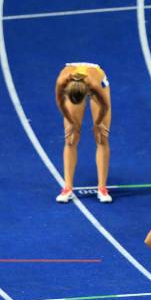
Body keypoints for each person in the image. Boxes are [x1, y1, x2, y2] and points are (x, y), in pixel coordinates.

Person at [54, 62, 113, 203]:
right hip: (74, 82)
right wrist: (71, 122)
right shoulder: (62, 82)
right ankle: (67, 187)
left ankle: (102, 188)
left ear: (87, 92)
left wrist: (98, 123)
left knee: (101, 137)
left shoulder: (94, 85)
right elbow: (61, 104)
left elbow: (105, 106)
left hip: (96, 77)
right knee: (70, 138)